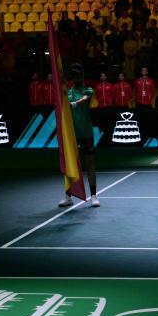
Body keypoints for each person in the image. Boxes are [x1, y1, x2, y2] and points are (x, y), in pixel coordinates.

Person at [58, 64, 100, 208]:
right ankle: (68, 196)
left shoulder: (88, 90)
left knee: (89, 163)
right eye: (73, 75)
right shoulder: (68, 92)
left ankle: (94, 195)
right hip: (72, 136)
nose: (76, 77)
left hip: (86, 133)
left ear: (82, 75)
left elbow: (85, 99)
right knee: (70, 164)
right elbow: (61, 95)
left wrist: (74, 103)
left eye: (78, 74)